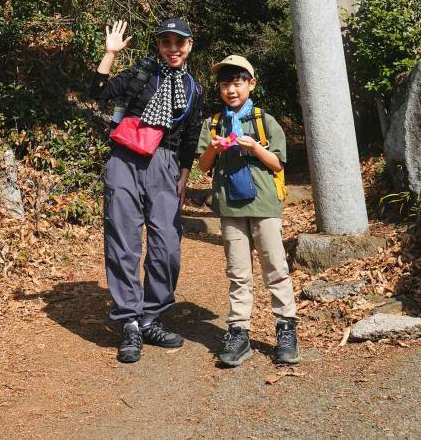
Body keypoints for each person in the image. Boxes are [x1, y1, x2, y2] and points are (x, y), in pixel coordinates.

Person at [90, 18, 204, 363]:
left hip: (165, 163)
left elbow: (191, 135)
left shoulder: (193, 89)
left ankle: (150, 317)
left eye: (179, 42)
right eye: (166, 42)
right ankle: (130, 322)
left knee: (167, 245)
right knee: (123, 239)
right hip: (126, 158)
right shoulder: (143, 73)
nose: (173, 48)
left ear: (189, 45)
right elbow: (98, 92)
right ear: (158, 45)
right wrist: (110, 54)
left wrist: (184, 174)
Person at [197, 54, 299, 367]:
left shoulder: (265, 121)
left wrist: (254, 147)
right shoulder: (213, 124)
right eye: (225, 84)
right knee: (238, 273)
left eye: (237, 83)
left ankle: (286, 329)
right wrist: (213, 147)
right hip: (229, 208)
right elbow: (203, 166)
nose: (231, 89)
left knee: (276, 268)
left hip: (264, 205)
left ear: (251, 84)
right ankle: (239, 332)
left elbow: (278, 163)